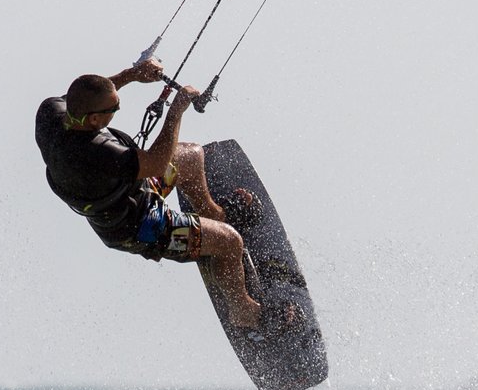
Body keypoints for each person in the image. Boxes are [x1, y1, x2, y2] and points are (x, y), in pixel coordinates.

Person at [34, 56, 293, 334]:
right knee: (230, 242)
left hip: (137, 190)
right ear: (95, 119)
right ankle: (244, 311)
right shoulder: (95, 153)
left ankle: (212, 214)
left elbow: (85, 94)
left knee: (191, 157)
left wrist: (131, 75)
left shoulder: (52, 112)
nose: (118, 108)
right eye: (115, 109)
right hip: (141, 226)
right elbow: (157, 162)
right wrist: (176, 109)